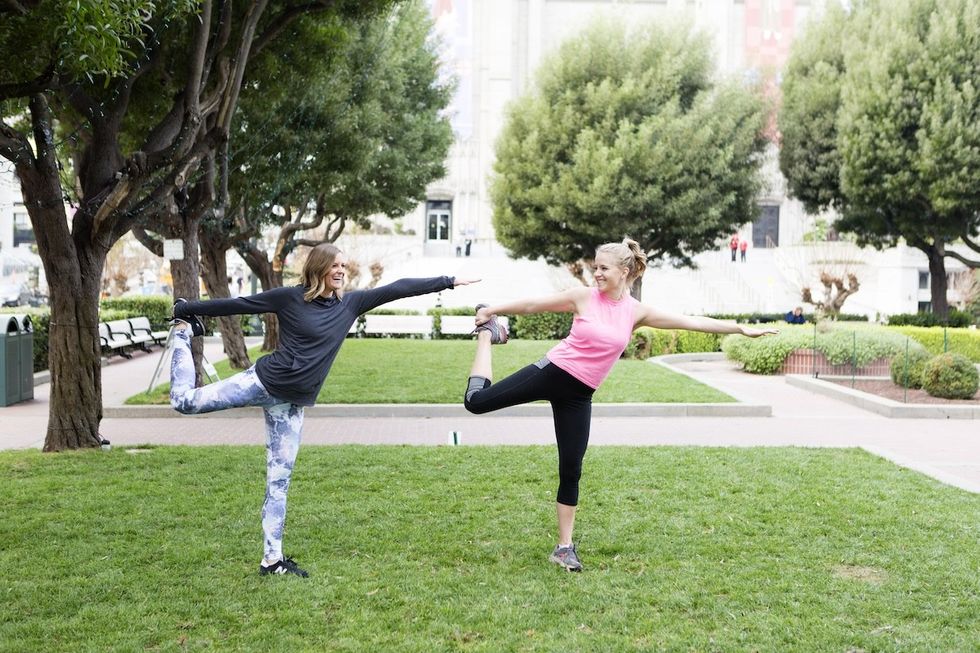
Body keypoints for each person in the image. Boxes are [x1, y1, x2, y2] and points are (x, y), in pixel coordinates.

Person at [462, 237, 778, 572]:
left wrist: (740, 329)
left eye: (602, 268)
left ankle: (564, 547)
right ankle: (487, 336)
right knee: (477, 402)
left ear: (624, 271)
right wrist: (491, 312)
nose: (595, 273)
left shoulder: (636, 312)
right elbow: (531, 305)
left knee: (572, 468)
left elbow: (693, 321)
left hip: (580, 395)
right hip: (551, 373)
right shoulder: (582, 297)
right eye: (594, 267)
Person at [168, 243, 478, 578]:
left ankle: (272, 560)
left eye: (344, 265)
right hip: (262, 381)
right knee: (184, 401)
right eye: (335, 266)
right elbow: (238, 304)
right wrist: (189, 309)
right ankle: (183, 335)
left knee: (279, 480)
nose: (342, 271)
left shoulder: (351, 304)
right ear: (319, 268)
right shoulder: (290, 298)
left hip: (291, 404)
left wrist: (448, 280)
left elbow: (397, 289)